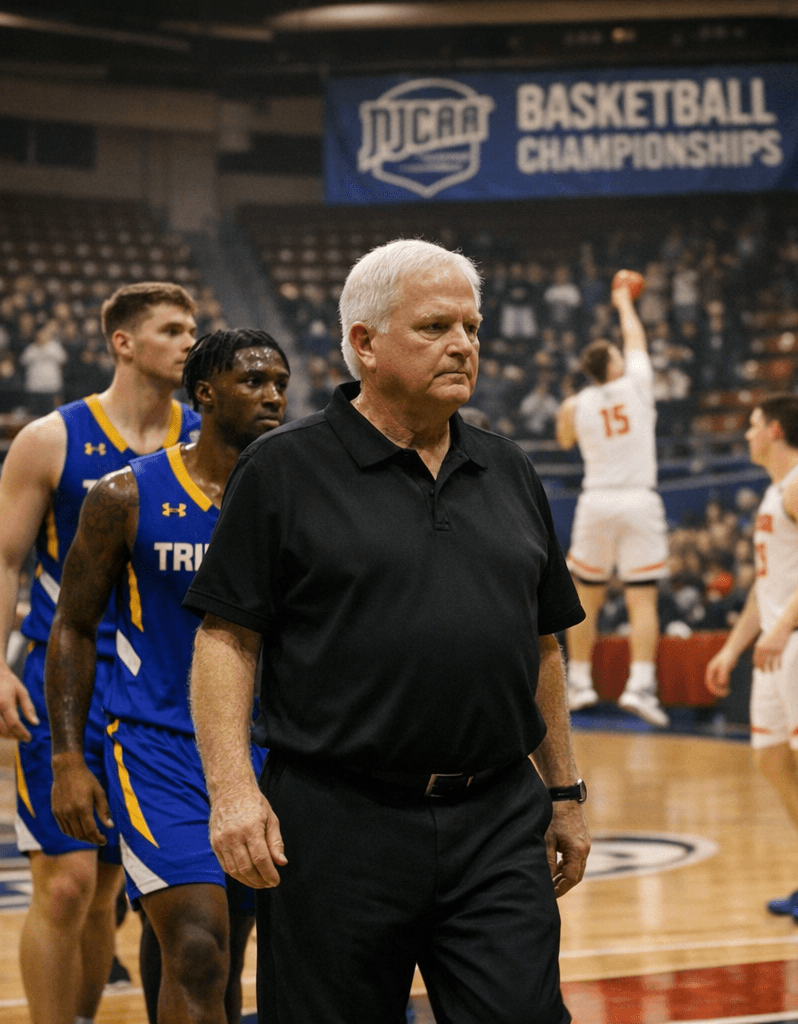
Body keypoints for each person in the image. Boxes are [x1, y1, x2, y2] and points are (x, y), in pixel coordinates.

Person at [183, 239, 590, 1023]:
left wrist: (565, 792)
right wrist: (232, 791)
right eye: (436, 326)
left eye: (471, 326)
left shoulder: (510, 469)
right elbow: (226, 642)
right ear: (364, 344)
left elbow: (542, 643)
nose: (464, 344)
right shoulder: (280, 469)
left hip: (499, 820)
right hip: (337, 824)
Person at [0, 282, 200, 1024]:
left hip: (164, 681)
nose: (190, 341)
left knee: (107, 889)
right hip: (66, 676)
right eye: (172, 329)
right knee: (65, 883)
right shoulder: (50, 439)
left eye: (194, 328)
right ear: (123, 343)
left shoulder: (207, 437)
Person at [46, 329, 289, 1024]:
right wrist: (67, 757)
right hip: (159, 749)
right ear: (204, 393)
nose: (273, 394)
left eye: (280, 380)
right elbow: (73, 627)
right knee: (197, 948)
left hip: (270, 751)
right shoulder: (124, 495)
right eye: (252, 380)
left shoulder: (294, 495)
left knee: (232, 953)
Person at [703, 393, 798, 927]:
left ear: (772, 430)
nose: (746, 434)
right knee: (772, 758)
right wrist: (732, 647)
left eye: (751, 425)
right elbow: (766, 588)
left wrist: (786, 625)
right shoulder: (775, 492)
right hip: (781, 640)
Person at [555, 270, 670, 727]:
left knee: (586, 597)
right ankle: (640, 686)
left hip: (596, 501)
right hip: (639, 500)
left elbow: (564, 440)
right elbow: (635, 335)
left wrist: (575, 407)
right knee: (643, 600)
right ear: (615, 365)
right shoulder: (637, 384)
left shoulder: (577, 403)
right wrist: (623, 301)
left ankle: (580, 682)